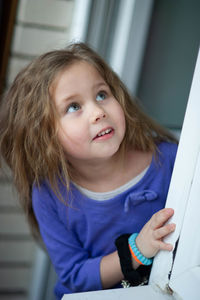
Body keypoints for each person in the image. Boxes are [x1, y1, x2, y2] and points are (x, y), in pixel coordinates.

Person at [0, 43, 177, 299]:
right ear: (44, 135)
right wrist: (137, 251)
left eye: (102, 94)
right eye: (73, 106)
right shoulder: (49, 195)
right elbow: (74, 276)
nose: (98, 112)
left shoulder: (168, 159)